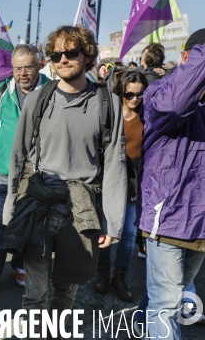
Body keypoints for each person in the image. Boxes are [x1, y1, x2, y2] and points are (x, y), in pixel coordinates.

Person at [3, 26, 127, 325]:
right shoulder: (37, 100)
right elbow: (18, 156)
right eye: (56, 54)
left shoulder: (108, 103)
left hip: (82, 209)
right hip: (38, 203)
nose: (63, 59)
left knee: (66, 292)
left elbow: (114, 163)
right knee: (34, 293)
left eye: (71, 53)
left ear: (87, 55)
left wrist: (113, 221)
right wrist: (10, 206)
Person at [137, 28, 205, 339]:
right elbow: (179, 103)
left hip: (200, 224)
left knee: (172, 296)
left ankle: (141, 322)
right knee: (166, 304)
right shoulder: (160, 93)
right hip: (168, 219)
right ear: (188, 59)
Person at [0, 44, 50, 293]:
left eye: (28, 67)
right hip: (3, 171)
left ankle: (19, 265)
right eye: (18, 68)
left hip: (37, 173)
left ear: (39, 65)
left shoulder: (53, 91)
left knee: (29, 222)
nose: (23, 73)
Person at [93, 71, 148, 302]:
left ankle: (120, 276)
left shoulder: (147, 117)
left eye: (140, 94)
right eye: (129, 94)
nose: (135, 98)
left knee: (128, 233)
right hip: (111, 179)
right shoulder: (110, 114)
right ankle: (103, 271)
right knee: (106, 228)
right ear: (121, 92)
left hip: (136, 182)